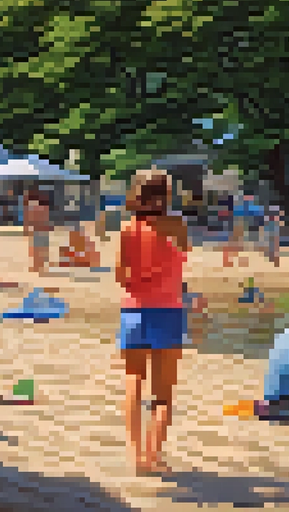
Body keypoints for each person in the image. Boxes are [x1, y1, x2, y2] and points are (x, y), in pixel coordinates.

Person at [117, 168, 190, 475]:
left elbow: (121, 276)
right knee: (162, 394)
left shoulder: (127, 229)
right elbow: (183, 255)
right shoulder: (177, 225)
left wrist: (140, 285)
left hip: (134, 310)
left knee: (133, 382)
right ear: (166, 195)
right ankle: (154, 456)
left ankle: (136, 457)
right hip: (168, 311)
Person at [26, 191, 52, 274]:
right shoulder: (44, 208)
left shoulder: (33, 207)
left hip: (37, 229)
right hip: (43, 229)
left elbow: (29, 219)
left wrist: (27, 228)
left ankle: (37, 266)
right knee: (42, 248)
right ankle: (41, 266)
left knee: (37, 249)